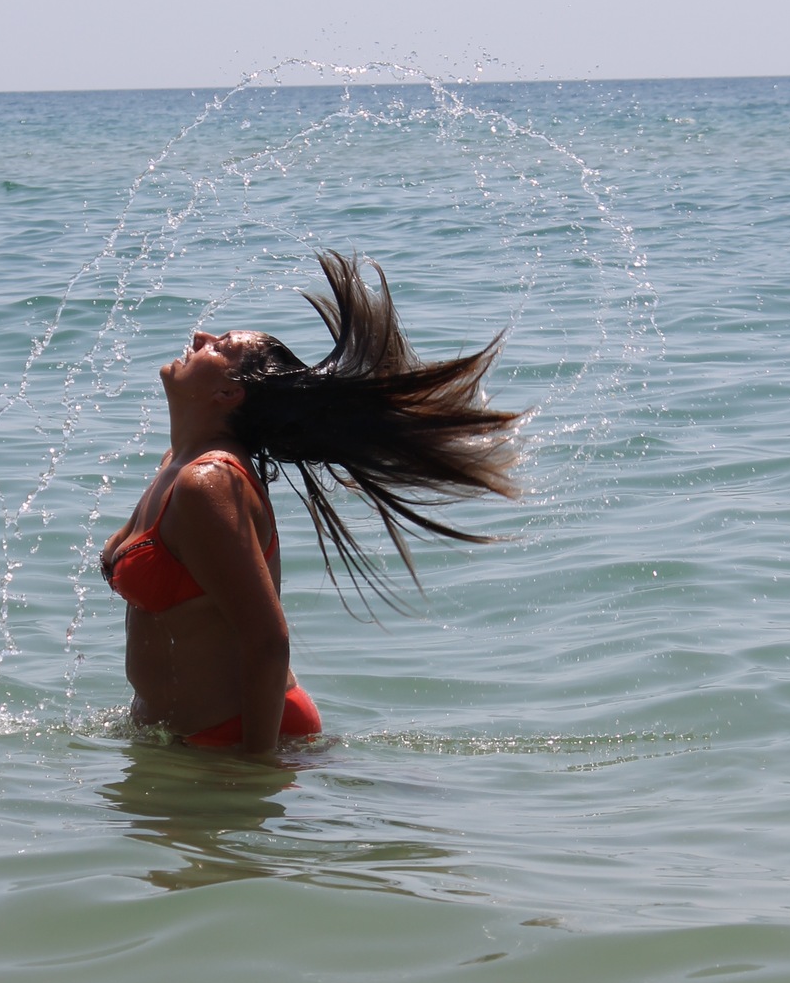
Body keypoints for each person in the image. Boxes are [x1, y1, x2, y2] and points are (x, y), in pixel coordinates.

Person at [100, 251, 520, 759]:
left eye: (220, 346)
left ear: (229, 393)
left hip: (238, 739)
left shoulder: (207, 483)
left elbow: (268, 640)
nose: (200, 337)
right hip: (186, 741)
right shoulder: (177, 464)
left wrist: (257, 769)